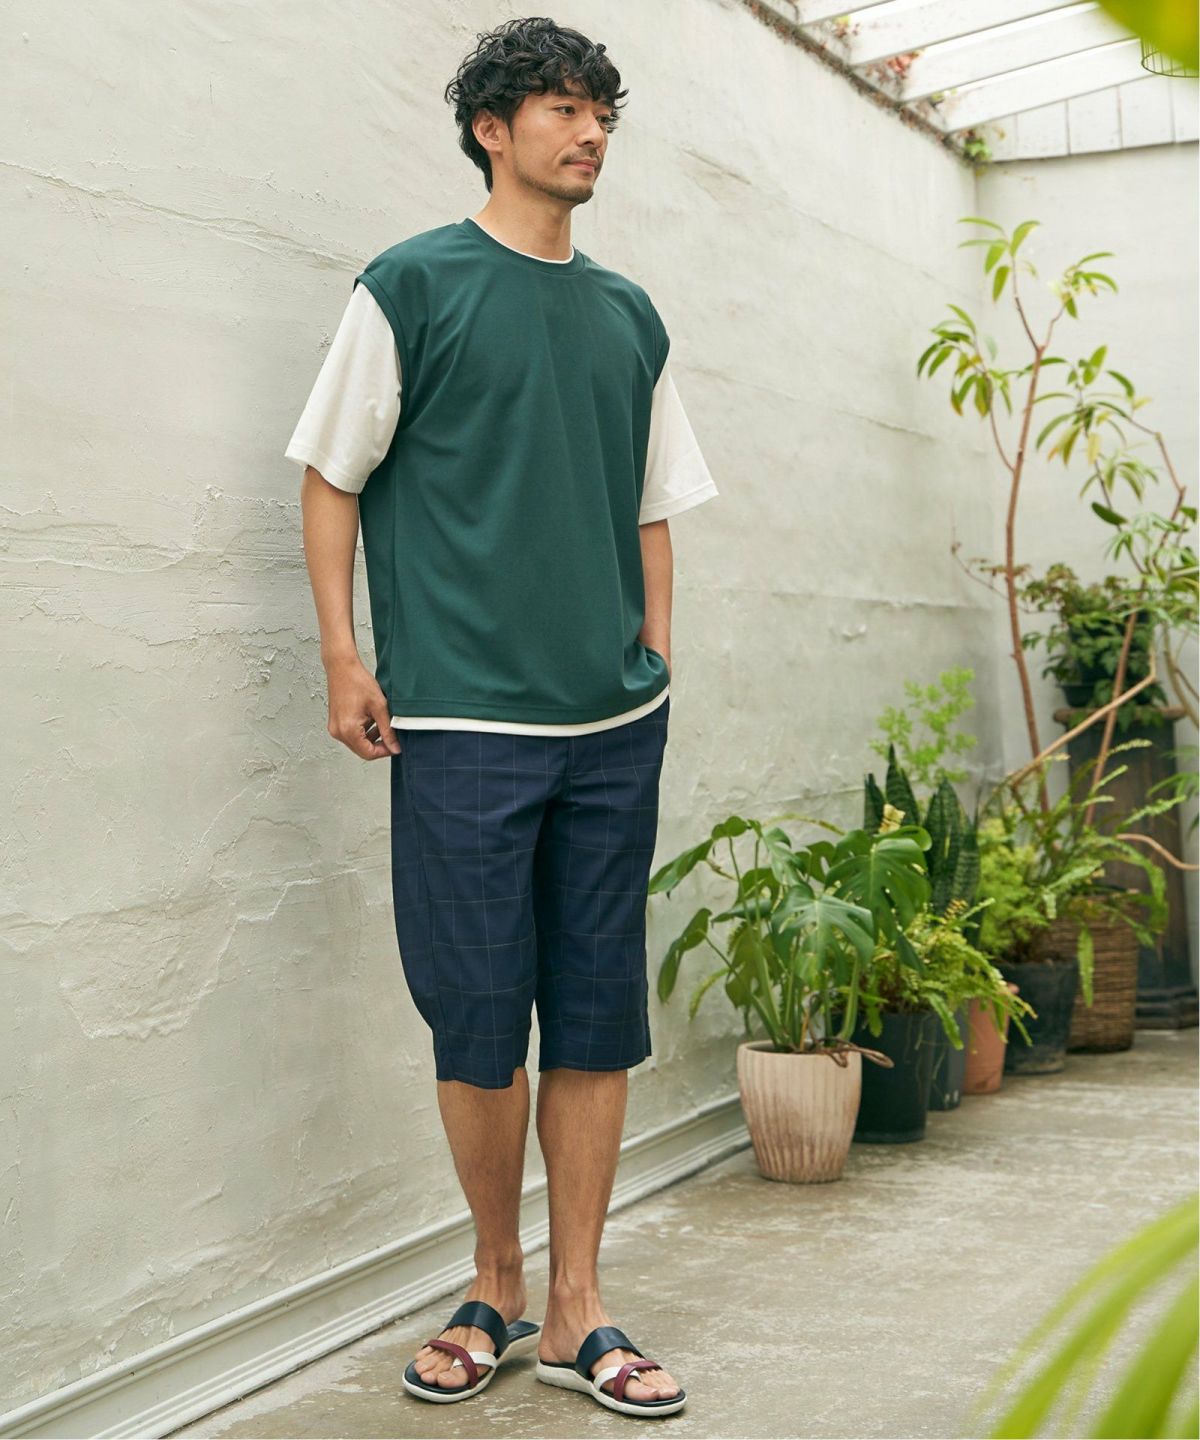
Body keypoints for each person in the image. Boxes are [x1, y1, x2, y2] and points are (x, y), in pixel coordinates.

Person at [285, 15, 717, 1421]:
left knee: (595, 1016)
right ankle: (496, 1282)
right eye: (563, 108)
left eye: (603, 113)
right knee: (478, 1019)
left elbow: (652, 506)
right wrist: (345, 657)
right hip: (459, 724)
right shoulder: (410, 285)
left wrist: (653, 659)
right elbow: (331, 476)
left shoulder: (631, 314)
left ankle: (580, 1307)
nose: (591, 133)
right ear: (492, 128)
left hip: (610, 728)